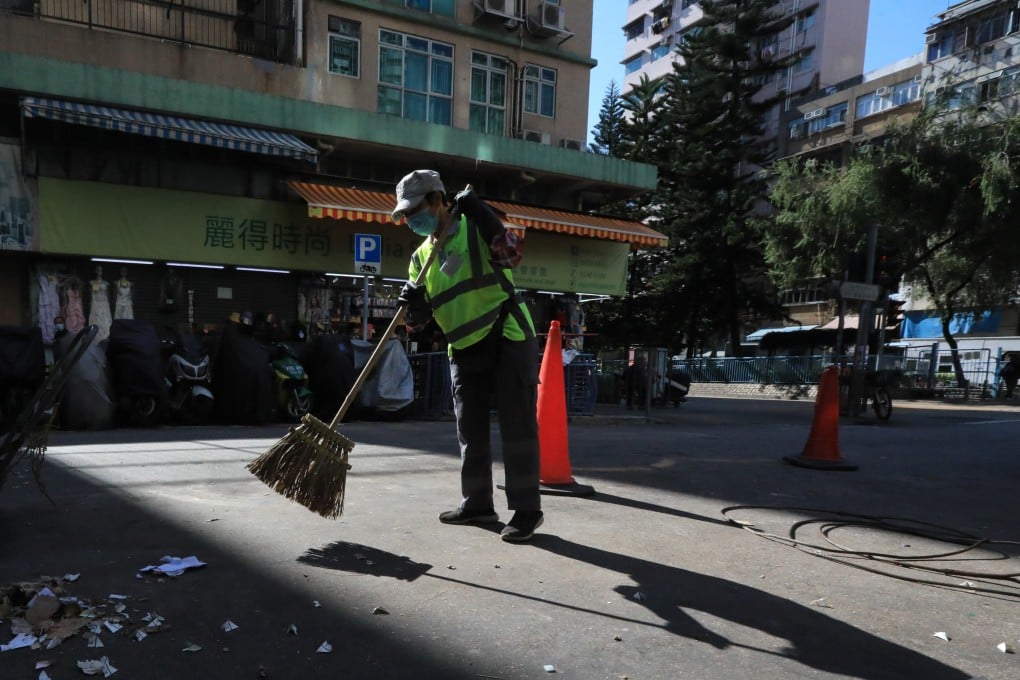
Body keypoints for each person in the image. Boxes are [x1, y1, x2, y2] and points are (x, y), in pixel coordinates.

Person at [392, 169, 543, 543]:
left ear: (439, 200)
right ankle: (478, 504)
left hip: (505, 334)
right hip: (462, 347)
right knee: (470, 432)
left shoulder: (475, 228)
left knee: (516, 427)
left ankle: (526, 511)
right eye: (406, 215)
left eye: (416, 210)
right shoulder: (420, 259)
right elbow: (418, 326)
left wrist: (481, 213)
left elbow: (512, 255)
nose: (412, 219)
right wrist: (414, 307)